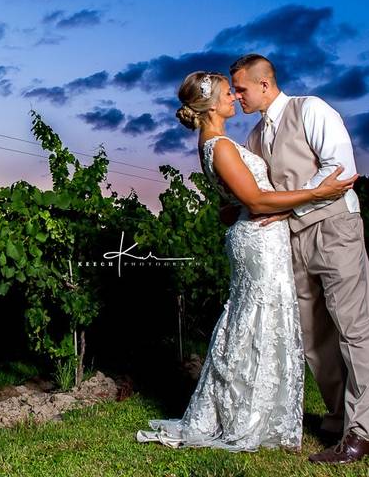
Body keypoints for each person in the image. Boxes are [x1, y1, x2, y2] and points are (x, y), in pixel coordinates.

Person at [136, 71, 355, 452]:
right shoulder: (219, 145)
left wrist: (249, 205)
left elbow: (229, 207)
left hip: (257, 235)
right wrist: (318, 192)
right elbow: (254, 202)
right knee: (257, 322)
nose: (234, 99)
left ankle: (257, 410)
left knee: (254, 322)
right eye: (227, 94)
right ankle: (247, 417)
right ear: (209, 106)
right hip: (258, 239)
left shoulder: (215, 144)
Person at [230, 54, 369, 464]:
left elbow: (341, 170)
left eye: (241, 88)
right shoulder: (252, 138)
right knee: (313, 336)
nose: (237, 95)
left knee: (356, 327)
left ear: (264, 85)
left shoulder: (311, 109)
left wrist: (288, 209)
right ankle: (338, 416)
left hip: (335, 227)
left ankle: (366, 432)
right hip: (292, 241)